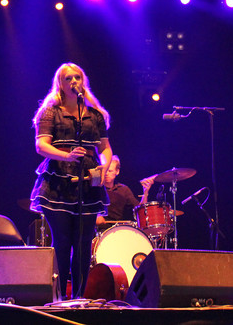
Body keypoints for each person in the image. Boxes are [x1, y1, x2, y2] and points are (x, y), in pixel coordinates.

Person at [29, 62, 112, 300]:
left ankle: (79, 297)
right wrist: (66, 155)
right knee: (63, 241)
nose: (73, 81)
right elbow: (41, 145)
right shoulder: (50, 112)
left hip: (88, 181)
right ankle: (59, 298)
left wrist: (104, 166)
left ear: (83, 81)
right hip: (58, 181)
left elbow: (105, 148)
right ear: (61, 84)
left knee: (84, 242)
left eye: (77, 77)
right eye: (68, 79)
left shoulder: (95, 116)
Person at [95, 155, 155, 229]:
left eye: (110, 171)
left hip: (119, 230)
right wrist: (95, 216)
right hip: (98, 231)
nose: (107, 173)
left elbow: (140, 211)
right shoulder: (96, 188)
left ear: (117, 171)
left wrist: (145, 192)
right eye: (105, 170)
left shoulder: (123, 189)